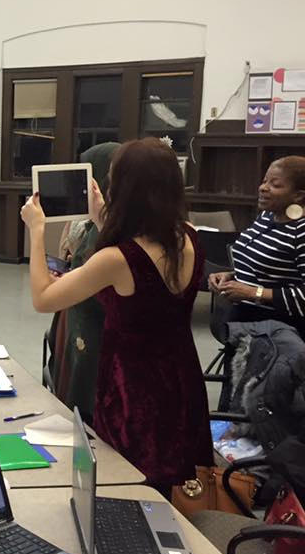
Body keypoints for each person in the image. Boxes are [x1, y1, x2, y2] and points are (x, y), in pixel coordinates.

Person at [20, 137, 212, 493]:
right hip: (181, 376)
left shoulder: (116, 260)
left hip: (133, 388)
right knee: (172, 477)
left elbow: (43, 298)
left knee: (130, 481)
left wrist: (36, 231)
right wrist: (100, 216)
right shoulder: (188, 238)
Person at [50, 141, 120, 421]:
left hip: (93, 321)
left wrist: (37, 228)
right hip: (75, 309)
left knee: (86, 395)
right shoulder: (90, 219)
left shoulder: (112, 225)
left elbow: (41, 298)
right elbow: (71, 255)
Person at [209, 156, 305, 338]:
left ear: (298, 195)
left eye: (275, 185)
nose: (263, 188)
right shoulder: (267, 217)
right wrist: (231, 275)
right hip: (246, 325)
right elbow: (270, 269)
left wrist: (254, 292)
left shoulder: (301, 231)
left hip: (280, 334)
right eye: (264, 181)